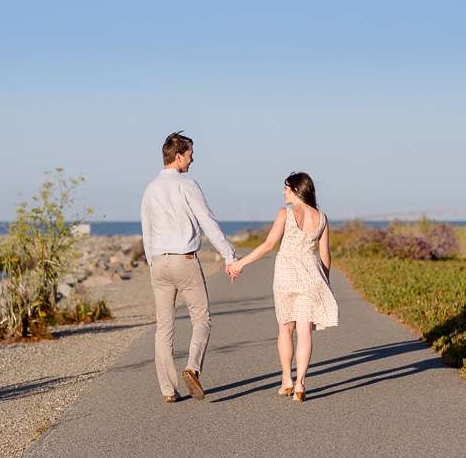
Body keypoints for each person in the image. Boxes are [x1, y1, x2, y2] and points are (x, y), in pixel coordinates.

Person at [141, 131, 238, 403]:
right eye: (190, 155)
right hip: (184, 261)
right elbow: (208, 223)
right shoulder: (188, 185)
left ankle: (168, 391)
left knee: (164, 327)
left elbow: (146, 232)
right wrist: (229, 256)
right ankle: (192, 368)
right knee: (201, 320)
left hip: (159, 262)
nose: (192, 160)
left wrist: (152, 263)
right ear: (179, 156)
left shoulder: (149, 189)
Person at [227, 172, 338, 402]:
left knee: (285, 330)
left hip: (286, 275)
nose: (283, 192)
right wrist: (324, 281)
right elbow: (325, 254)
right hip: (311, 275)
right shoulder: (323, 218)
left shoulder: (285, 213)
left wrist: (240, 263)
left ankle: (286, 379)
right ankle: (300, 384)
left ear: (296, 190)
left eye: (286, 188)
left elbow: (268, 245)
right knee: (305, 331)